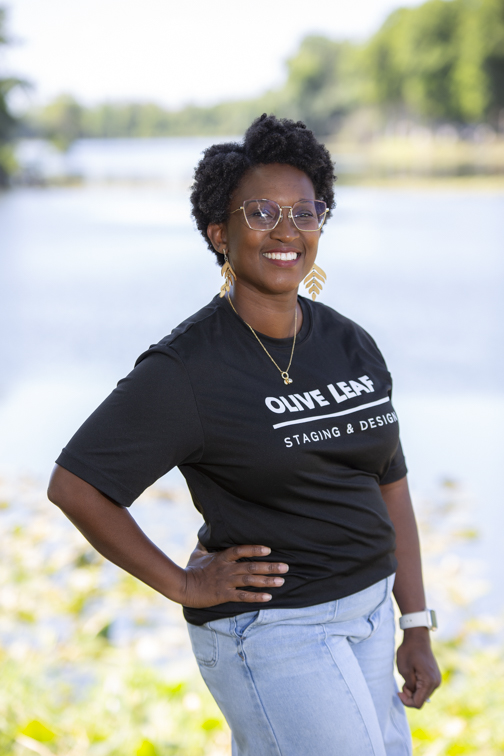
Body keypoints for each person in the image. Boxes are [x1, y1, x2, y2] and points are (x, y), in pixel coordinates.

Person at [48, 114, 441, 756]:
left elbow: (390, 485)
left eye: (305, 212)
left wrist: (415, 621)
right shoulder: (187, 368)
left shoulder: (348, 342)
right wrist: (182, 583)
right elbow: (76, 486)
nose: (286, 231)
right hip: (276, 630)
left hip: (371, 616)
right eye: (261, 213)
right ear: (219, 232)